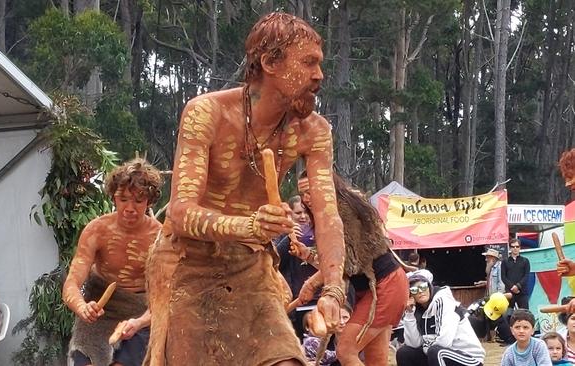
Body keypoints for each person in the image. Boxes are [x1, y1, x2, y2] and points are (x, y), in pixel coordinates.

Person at [143, 12, 345, 366]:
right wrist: (248, 226)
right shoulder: (207, 112)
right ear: (269, 62)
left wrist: (333, 289)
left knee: (286, 360)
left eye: (320, 64)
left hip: (251, 265)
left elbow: (328, 217)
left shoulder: (314, 131)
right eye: (309, 63)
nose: (319, 75)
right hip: (187, 263)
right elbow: (179, 211)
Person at [295, 173, 408, 366]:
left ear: (326, 187)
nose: (306, 198)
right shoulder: (329, 214)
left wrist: (311, 283)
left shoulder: (343, 211)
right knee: (376, 360)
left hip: (385, 286)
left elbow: (346, 263)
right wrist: (308, 255)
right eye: (302, 193)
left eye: (309, 191)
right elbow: (337, 264)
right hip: (375, 289)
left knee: (346, 350)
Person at [62, 158, 162, 366]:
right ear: (114, 198)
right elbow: (71, 283)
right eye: (123, 199)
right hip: (99, 308)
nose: (130, 208)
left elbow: (165, 296)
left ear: (149, 201)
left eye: (138, 200)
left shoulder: (160, 237)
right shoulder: (96, 230)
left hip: (141, 311)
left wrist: (141, 322)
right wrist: (82, 307)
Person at [395, 273, 485, 366]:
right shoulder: (418, 311)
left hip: (469, 358)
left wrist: (426, 348)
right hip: (439, 355)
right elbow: (414, 344)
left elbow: (444, 342)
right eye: (414, 290)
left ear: (429, 287)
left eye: (423, 287)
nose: (420, 291)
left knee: (436, 352)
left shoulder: (443, 301)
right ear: (410, 295)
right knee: (404, 353)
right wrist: (409, 314)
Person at [276, 196, 317, 339]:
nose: (303, 217)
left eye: (306, 212)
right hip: (295, 303)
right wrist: (288, 239)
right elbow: (273, 262)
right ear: (290, 215)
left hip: (320, 299)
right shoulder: (280, 234)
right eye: (298, 213)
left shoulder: (321, 232)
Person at [502, 238, 531, 309]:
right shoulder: (505, 261)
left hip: (522, 292)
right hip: (509, 292)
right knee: (508, 314)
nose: (515, 248)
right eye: (513, 246)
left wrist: (518, 286)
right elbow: (503, 277)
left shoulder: (525, 261)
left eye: (517, 246)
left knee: (524, 313)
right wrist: (512, 287)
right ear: (510, 248)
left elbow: (526, 275)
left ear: (520, 248)